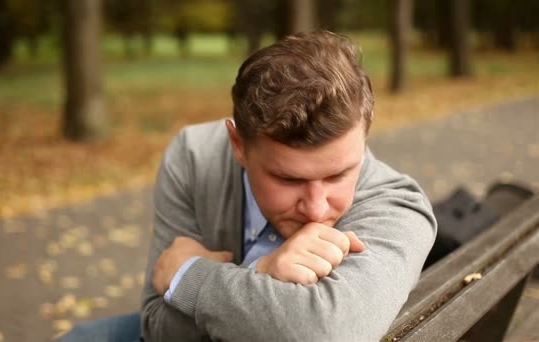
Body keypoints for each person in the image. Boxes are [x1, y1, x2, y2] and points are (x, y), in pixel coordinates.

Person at [59, 30, 437, 342]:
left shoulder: (398, 207)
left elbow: (325, 332)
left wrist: (188, 275)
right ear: (238, 145)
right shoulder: (195, 156)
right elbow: (156, 325)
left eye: (338, 175)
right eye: (288, 179)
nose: (317, 209)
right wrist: (263, 279)